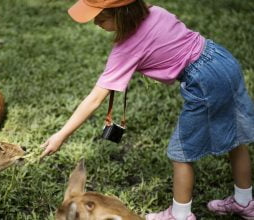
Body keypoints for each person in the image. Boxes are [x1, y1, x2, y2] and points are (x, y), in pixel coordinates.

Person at [39, 0, 254, 219]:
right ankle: (245, 202)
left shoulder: (126, 49)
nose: (95, 22)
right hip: (222, 59)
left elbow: (95, 99)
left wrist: (61, 134)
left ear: (121, 14)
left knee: (180, 153)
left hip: (204, 81)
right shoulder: (156, 12)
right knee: (236, 137)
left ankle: (179, 215)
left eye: (101, 17)